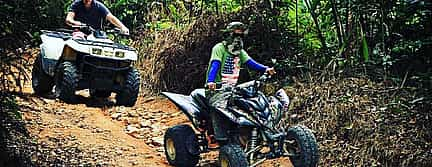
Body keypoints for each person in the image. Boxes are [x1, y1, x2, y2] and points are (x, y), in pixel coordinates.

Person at [205, 21, 276, 144]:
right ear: (228, 35)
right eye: (235, 35)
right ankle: (221, 138)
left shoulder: (239, 52)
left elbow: (250, 63)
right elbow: (215, 65)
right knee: (218, 108)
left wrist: (266, 69)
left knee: (250, 103)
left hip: (232, 89)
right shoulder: (219, 48)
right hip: (216, 90)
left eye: (241, 36)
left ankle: (250, 133)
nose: (238, 39)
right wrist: (210, 81)